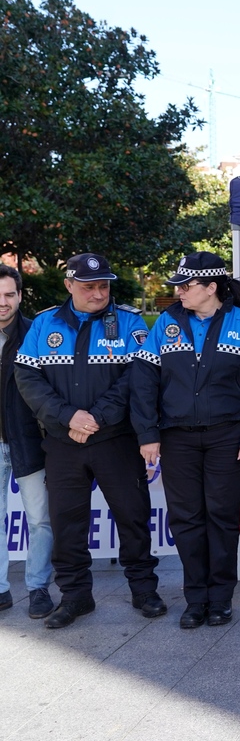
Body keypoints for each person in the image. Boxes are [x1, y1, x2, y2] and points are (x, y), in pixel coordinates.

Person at [15, 253, 165, 628]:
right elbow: (28, 379)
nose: (98, 294)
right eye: (88, 287)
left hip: (115, 440)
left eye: (103, 286)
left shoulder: (130, 323)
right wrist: (69, 417)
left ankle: (144, 590)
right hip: (63, 444)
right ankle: (76, 596)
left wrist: (96, 417)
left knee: (132, 518)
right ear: (69, 285)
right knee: (67, 524)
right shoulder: (44, 323)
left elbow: (137, 379)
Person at [131, 252, 240, 629]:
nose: (178, 292)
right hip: (176, 438)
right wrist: (148, 434)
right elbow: (144, 383)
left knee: (222, 517)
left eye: (186, 286)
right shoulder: (166, 323)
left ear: (211, 287)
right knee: (185, 519)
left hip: (228, 439)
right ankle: (195, 598)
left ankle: (220, 599)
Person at [0, 264, 53, 619]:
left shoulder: (35, 334)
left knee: (39, 519)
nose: (2, 302)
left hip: (26, 440)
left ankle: (37, 588)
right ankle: (1, 590)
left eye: (8, 295)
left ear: (20, 296)